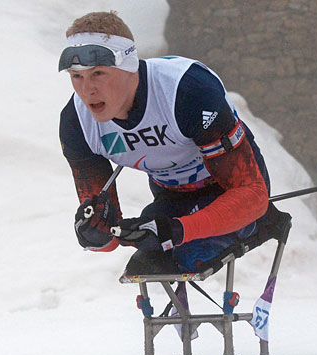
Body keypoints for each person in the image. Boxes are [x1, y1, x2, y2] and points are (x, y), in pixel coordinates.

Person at [58, 11, 270, 273]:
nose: (87, 90)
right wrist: (94, 234)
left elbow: (253, 195)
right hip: (171, 193)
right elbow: (108, 238)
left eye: (98, 73)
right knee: (146, 262)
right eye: (76, 76)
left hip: (230, 188)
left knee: (191, 255)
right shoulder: (76, 123)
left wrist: (178, 230)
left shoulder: (186, 90)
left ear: (130, 66)